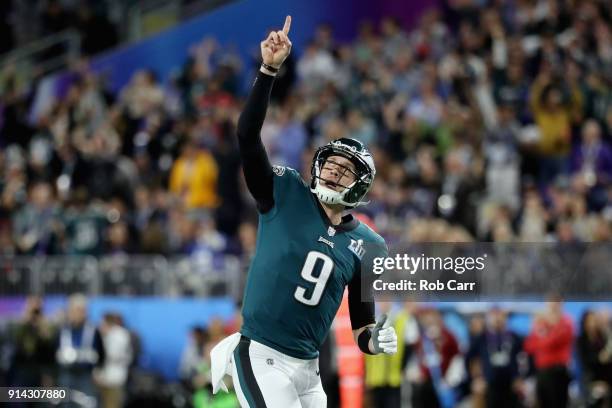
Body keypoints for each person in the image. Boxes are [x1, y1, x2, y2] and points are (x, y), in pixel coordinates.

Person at [210, 16, 397, 408]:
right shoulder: (286, 191)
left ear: (360, 186)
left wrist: (374, 340)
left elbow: (362, 321)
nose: (332, 170)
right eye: (330, 163)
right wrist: (268, 70)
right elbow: (246, 136)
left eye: (345, 170)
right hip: (261, 355)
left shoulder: (368, 244)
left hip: (308, 371)